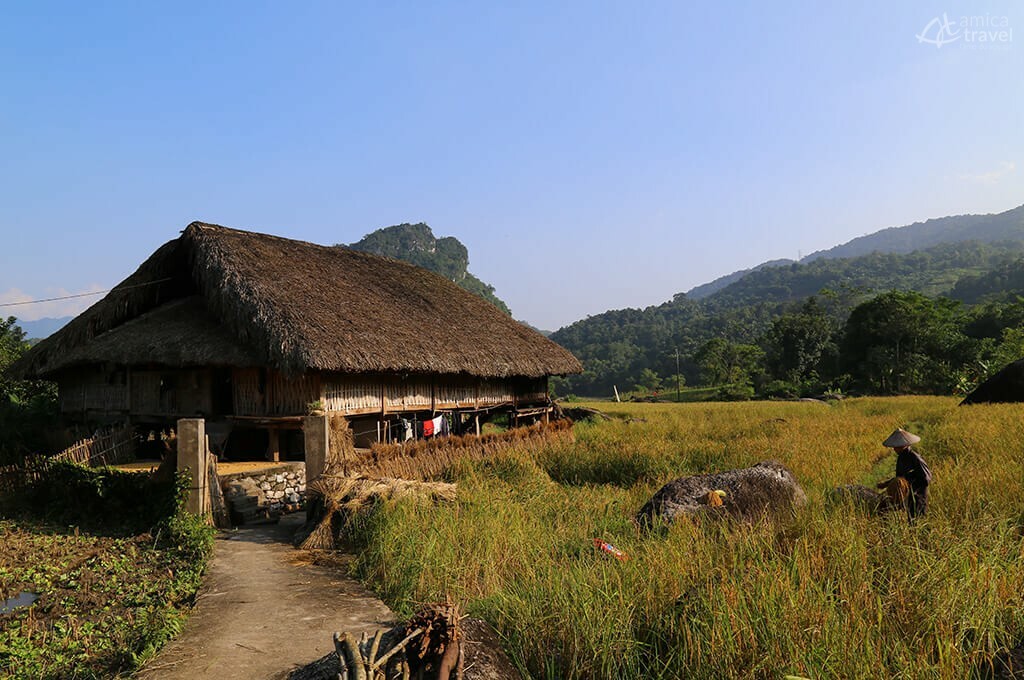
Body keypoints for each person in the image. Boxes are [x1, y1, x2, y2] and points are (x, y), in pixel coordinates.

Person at [877, 428, 932, 518]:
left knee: (917, 519)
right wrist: (886, 484)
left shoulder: (914, 457)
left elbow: (926, 479)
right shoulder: (901, 458)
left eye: (896, 446)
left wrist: (908, 485)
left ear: (903, 445)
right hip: (905, 495)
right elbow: (900, 478)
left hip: (917, 496)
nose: (894, 449)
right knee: (883, 508)